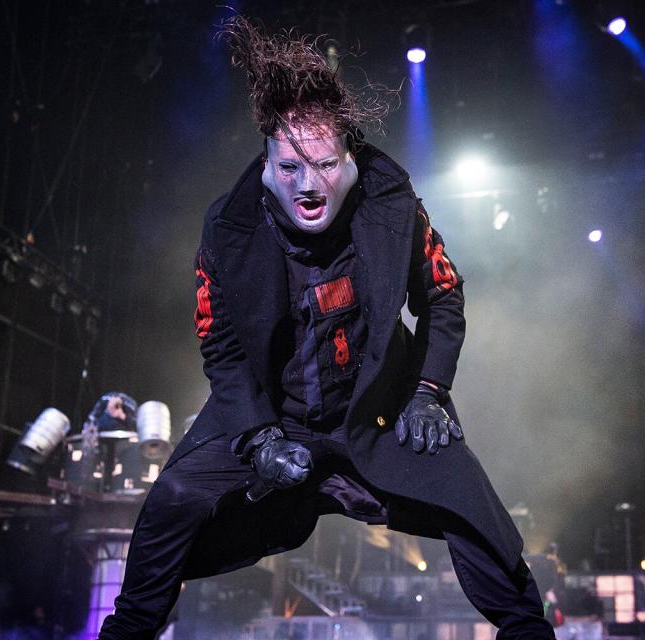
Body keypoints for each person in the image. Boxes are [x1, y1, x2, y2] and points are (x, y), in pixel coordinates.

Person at [99, 17, 554, 640]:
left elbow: (443, 297)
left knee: (472, 505)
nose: (308, 185)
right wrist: (258, 440)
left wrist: (428, 391)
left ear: (351, 160)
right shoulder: (228, 231)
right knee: (171, 502)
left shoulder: (394, 207)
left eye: (324, 164)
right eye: (290, 168)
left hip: (378, 413)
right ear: (266, 164)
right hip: (273, 418)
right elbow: (222, 348)